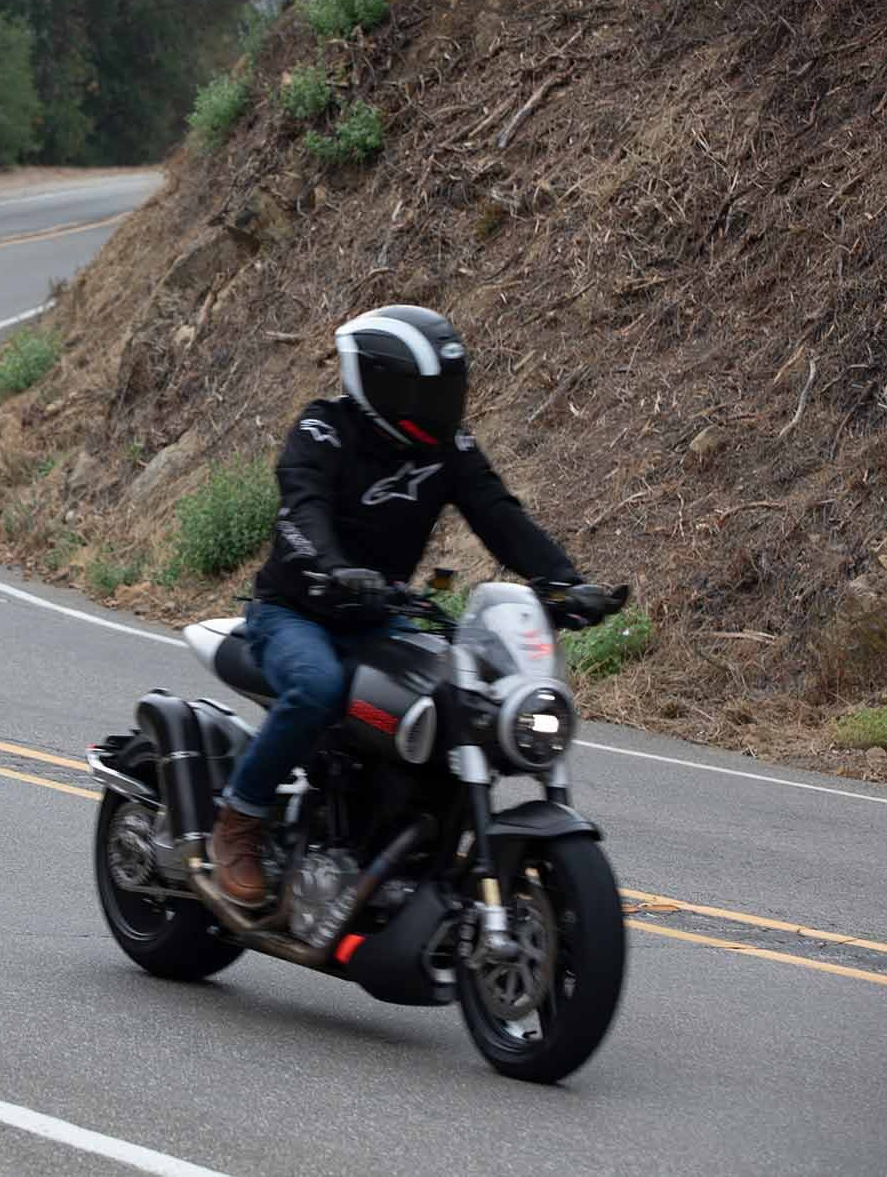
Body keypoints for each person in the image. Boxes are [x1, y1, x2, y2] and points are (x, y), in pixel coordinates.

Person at [209, 304, 607, 908]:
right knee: (316, 689)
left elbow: (500, 516)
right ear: (381, 384)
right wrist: (337, 569)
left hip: (381, 617)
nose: (443, 403)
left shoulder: (449, 448)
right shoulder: (324, 430)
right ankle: (239, 821)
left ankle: (410, 843)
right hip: (296, 613)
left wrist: (564, 583)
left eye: (450, 388)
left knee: (460, 698)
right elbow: (303, 511)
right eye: (429, 390)